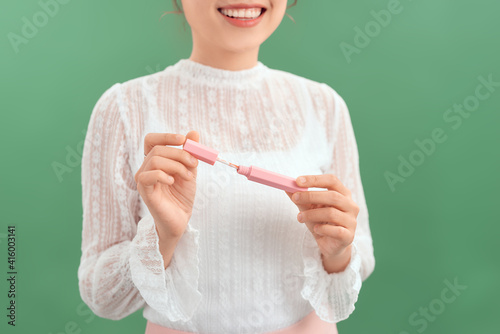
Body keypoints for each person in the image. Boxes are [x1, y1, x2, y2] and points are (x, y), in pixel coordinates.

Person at [78, 0, 375, 333]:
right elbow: (102, 296)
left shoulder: (324, 105)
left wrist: (336, 252)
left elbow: (360, 253)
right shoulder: (123, 109)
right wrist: (163, 236)